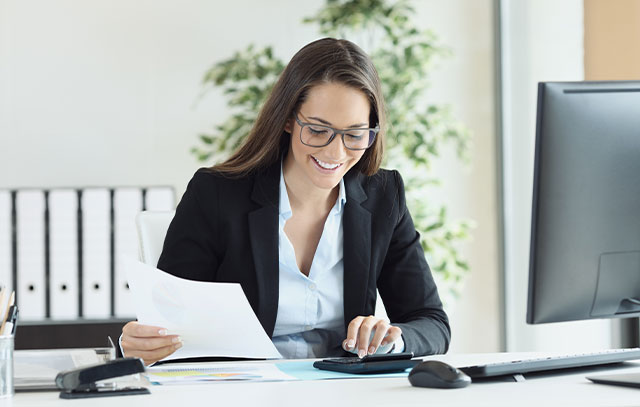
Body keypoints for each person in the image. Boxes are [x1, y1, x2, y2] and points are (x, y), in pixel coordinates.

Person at [121, 38, 450, 365]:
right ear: (289, 119)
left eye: (354, 134)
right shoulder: (217, 195)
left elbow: (432, 322)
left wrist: (393, 338)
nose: (336, 153)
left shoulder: (383, 196)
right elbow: (168, 322)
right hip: (243, 392)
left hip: (344, 392)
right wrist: (143, 343)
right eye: (319, 130)